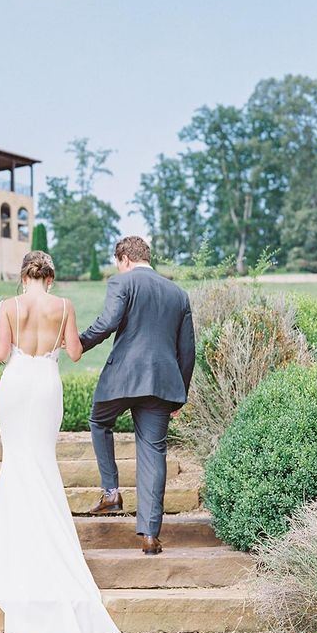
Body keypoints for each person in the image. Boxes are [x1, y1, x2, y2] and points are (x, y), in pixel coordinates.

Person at [0, 251, 120, 633]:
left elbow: (2, 353)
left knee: (16, 457)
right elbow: (74, 353)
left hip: (16, 384)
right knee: (41, 458)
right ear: (50, 278)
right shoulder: (64, 306)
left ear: (23, 277)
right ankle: (50, 534)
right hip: (46, 386)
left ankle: (17, 531)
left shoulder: (10, 306)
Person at [79, 236, 195, 556]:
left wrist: (79, 343)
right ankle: (150, 535)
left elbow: (108, 322)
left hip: (123, 378)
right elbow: (187, 350)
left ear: (125, 259)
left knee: (99, 421)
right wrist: (180, 395)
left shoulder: (123, 282)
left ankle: (111, 492)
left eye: (117, 263)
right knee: (153, 453)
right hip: (162, 384)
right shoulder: (178, 293)